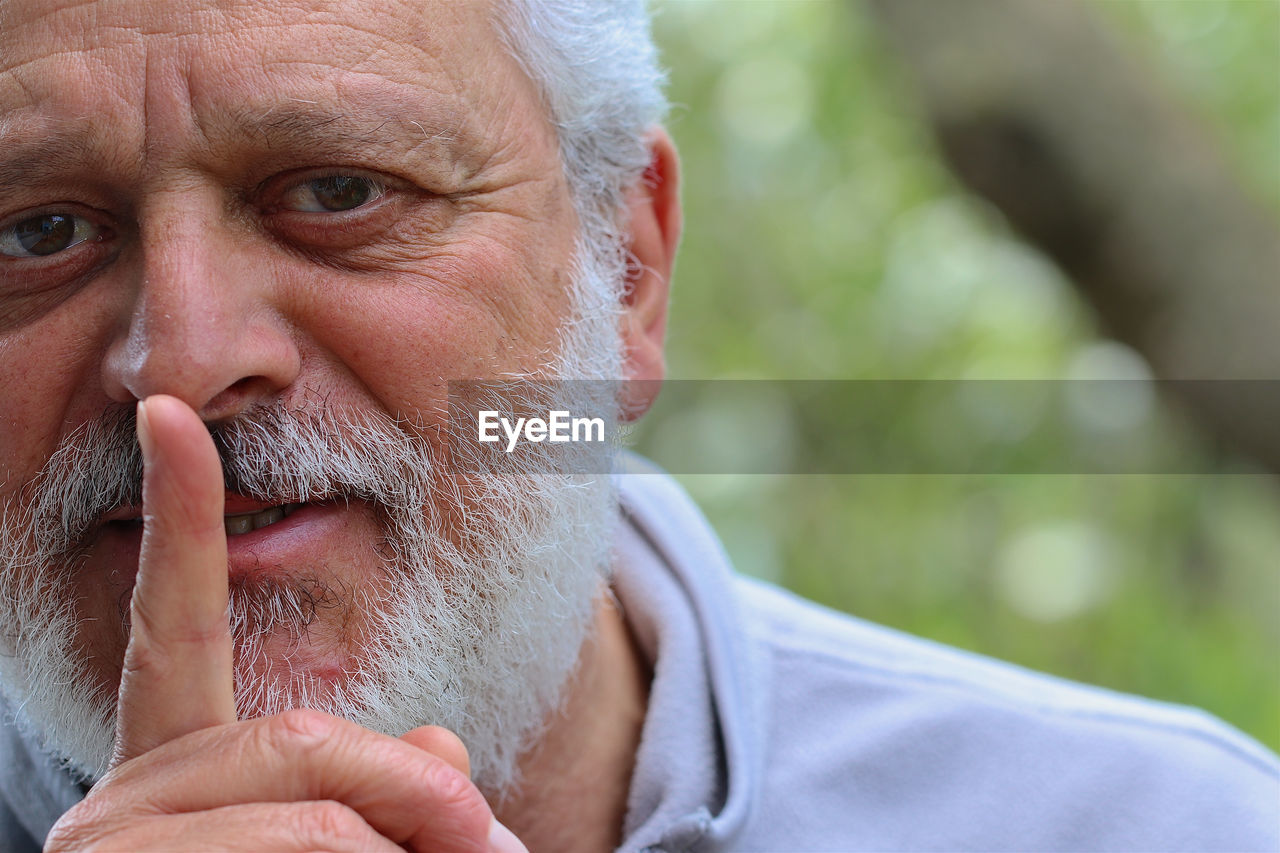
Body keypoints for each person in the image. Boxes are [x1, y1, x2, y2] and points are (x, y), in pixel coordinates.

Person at [0, 1, 1275, 851]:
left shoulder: (1155, 826)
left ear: (626, 272)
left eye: (339, 192)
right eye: (37, 233)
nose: (182, 359)